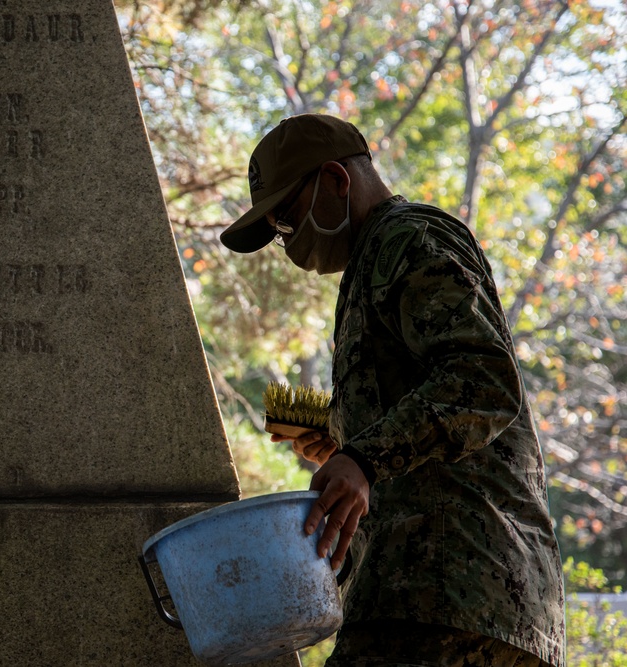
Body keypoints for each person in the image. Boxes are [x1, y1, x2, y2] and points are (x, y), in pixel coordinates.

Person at [219, 114, 565, 667]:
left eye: (287, 218)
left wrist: (363, 456)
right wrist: (341, 433)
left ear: (336, 180)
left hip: (450, 599)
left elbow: (484, 383)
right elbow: (426, 394)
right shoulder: (373, 258)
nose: (286, 242)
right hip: (441, 604)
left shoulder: (408, 237)